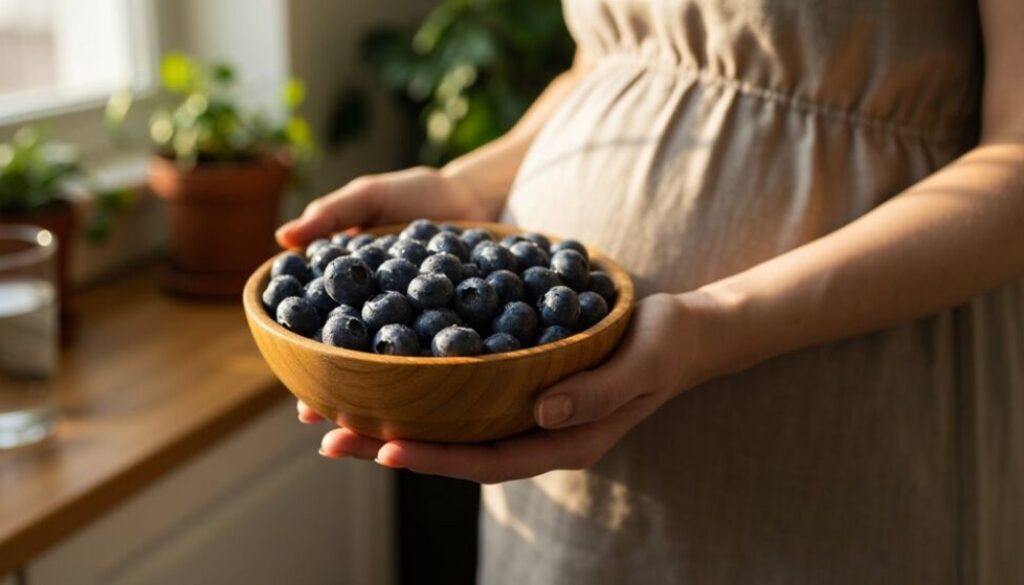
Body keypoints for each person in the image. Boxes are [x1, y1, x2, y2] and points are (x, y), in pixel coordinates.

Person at [276, 0, 1024, 582]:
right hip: (569, 437)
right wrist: (467, 186)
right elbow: (613, 58)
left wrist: (714, 322)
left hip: (836, 415)